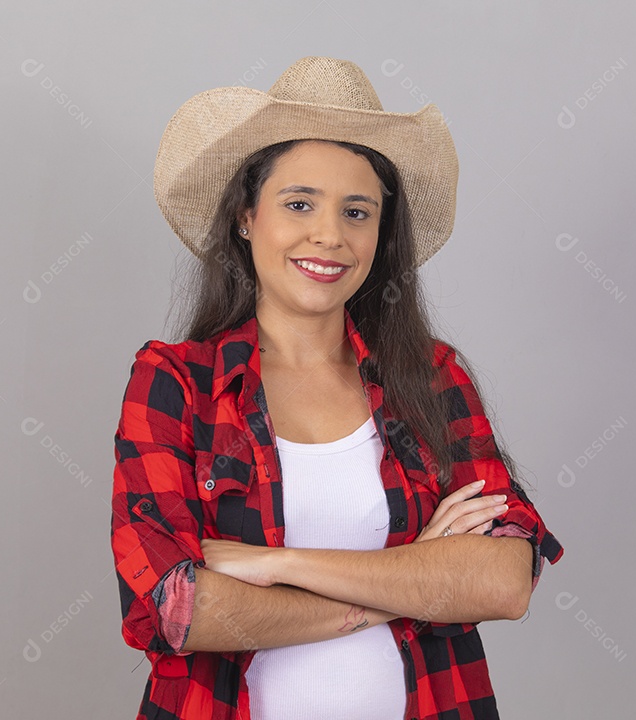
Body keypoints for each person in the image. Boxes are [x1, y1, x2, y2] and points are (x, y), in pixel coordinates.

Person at [111, 56, 564, 720]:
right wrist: (415, 579)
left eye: (358, 211)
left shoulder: (430, 377)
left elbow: (502, 581)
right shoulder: (176, 383)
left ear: (381, 235)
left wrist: (274, 563)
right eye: (299, 203)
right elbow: (180, 610)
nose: (330, 234)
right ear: (245, 215)